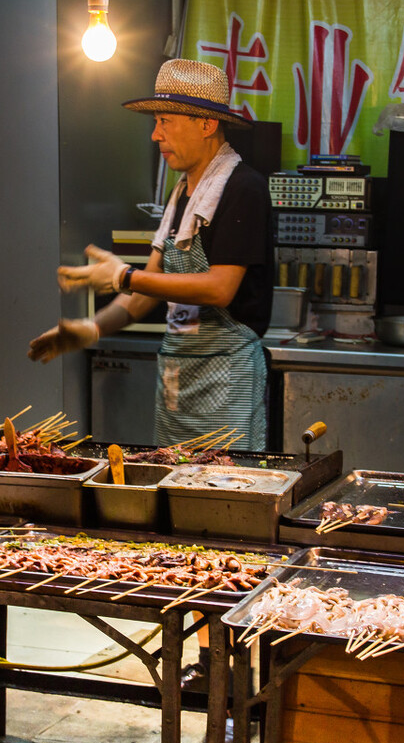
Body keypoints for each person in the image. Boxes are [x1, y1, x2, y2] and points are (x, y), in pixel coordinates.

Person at [27, 58, 273, 451]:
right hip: (178, 376)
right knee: (171, 478)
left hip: (227, 377)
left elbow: (220, 288)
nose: (156, 135)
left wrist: (123, 276)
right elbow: (146, 292)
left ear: (207, 124)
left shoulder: (242, 188)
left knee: (225, 481)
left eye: (165, 121)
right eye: (156, 122)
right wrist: (90, 329)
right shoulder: (182, 193)